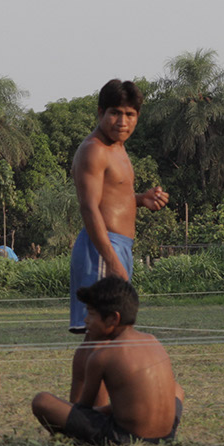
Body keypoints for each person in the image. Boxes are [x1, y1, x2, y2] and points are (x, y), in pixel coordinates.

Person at [32, 277, 184, 446]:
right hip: (166, 435)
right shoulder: (152, 339)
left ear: (113, 319)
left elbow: (84, 410)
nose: (86, 320)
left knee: (42, 401)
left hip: (126, 437)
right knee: (176, 389)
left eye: (91, 313)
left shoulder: (102, 356)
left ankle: (75, 441)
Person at [70, 79, 169, 333]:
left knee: (116, 330)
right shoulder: (95, 150)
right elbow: (89, 208)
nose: (122, 122)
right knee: (100, 330)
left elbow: (110, 199)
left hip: (119, 247)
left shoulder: (118, 148)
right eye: (115, 113)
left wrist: (141, 200)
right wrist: (111, 260)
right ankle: (90, 375)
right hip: (102, 248)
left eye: (129, 114)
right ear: (101, 113)